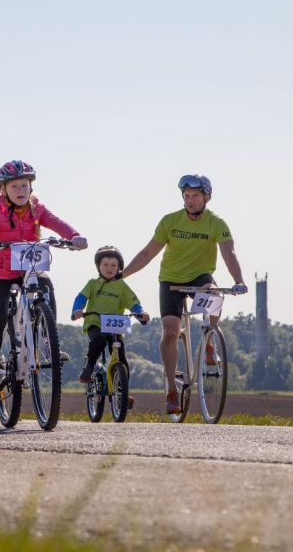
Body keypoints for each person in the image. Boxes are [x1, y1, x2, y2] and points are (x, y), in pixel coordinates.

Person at [121, 174, 247, 414]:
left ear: (207, 197)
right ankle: (171, 390)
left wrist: (238, 281)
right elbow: (148, 253)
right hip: (171, 280)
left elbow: (229, 253)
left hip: (200, 276)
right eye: (186, 196)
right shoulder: (170, 221)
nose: (190, 201)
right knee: (170, 332)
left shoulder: (216, 223)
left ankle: (209, 341)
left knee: (214, 294)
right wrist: (123, 275)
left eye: (195, 196)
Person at [0, 161, 88, 399]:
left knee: (46, 286)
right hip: (1, 272)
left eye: (25, 185)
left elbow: (56, 222)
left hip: (28, 268)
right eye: (14, 186)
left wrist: (74, 236)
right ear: (3, 190)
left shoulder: (36, 208)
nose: (21, 190)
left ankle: (47, 341)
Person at [71, 246, 151, 409]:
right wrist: (77, 310)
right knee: (99, 340)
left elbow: (134, 302)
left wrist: (140, 313)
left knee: (121, 357)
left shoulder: (121, 286)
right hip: (95, 323)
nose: (109, 268)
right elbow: (81, 297)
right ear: (98, 267)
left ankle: (122, 390)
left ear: (119, 268)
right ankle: (90, 366)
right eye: (105, 264)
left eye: (113, 265)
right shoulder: (93, 283)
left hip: (115, 327)